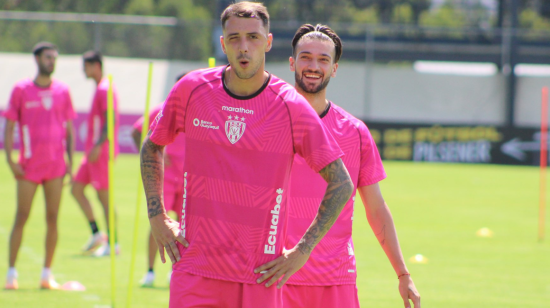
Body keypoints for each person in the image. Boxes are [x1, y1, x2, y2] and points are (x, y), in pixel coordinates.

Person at [139, 2, 353, 307]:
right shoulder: (192, 90)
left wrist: (303, 249)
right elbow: (152, 145)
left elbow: (342, 182)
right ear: (223, 43)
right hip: (195, 269)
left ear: (267, 41)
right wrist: (157, 216)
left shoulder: (290, 106)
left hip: (259, 276)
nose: (244, 47)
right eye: (234, 38)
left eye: (253, 38)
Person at [283, 24, 421, 308]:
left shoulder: (355, 132)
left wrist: (403, 273)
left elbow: (376, 208)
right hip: (278, 275)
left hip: (336, 282)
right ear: (292, 62)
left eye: (323, 59)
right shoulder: (268, 123)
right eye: (306, 57)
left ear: (334, 68)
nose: (313, 66)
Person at [3, 42, 76, 290]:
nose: (51, 61)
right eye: (48, 57)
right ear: (36, 59)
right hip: (28, 165)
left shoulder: (63, 91)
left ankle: (47, 274)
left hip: (55, 166)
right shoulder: (21, 89)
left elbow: (69, 129)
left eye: (54, 58)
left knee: (53, 218)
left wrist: (70, 162)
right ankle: (11, 273)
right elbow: (10, 125)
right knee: (21, 217)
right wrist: (10, 160)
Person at [132, 72, 187, 287]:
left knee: (187, 229)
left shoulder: (199, 110)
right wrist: (150, 161)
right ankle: (150, 271)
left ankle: (178, 271)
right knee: (159, 223)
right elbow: (137, 132)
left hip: (188, 179)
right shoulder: (163, 109)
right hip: (164, 178)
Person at [71, 50, 120, 257]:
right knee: (76, 188)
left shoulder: (105, 89)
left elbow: (111, 120)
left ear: (96, 66)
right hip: (92, 152)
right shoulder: (100, 88)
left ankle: (113, 243)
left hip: (100, 153)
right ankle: (96, 233)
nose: (83, 70)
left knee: (104, 199)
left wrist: (99, 146)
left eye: (86, 65)